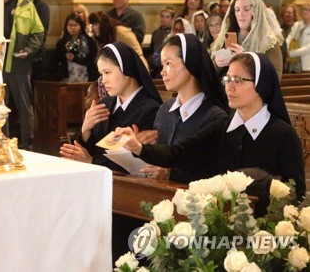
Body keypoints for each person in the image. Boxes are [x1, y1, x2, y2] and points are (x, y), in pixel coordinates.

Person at [117, 52, 305, 211]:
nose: (229, 87)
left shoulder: (283, 135)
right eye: (227, 79)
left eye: (238, 80)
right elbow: (179, 152)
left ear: (260, 85)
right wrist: (139, 147)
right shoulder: (223, 127)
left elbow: (296, 194)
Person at [140, 33, 230, 183]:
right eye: (162, 65)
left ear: (190, 63)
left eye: (168, 63)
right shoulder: (165, 110)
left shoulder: (215, 116)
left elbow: (214, 174)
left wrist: (171, 174)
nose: (162, 72)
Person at [59, 41, 162, 171]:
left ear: (127, 69)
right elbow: (87, 151)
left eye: (107, 72)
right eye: (101, 74)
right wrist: (86, 129)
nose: (103, 80)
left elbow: (133, 162)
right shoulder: (105, 104)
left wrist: (92, 162)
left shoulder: (150, 109)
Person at [3, 0, 44, 150]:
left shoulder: (26, 5)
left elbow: (38, 32)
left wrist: (28, 50)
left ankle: (28, 143)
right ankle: (0, 141)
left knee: (24, 106)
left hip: (19, 63)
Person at [211, 0, 284, 80]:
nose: (241, 14)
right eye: (237, 10)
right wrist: (219, 64)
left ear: (256, 12)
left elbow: (275, 77)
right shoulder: (227, 37)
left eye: (246, 9)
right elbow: (210, 73)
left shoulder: (269, 42)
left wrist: (244, 60)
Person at [17, 0, 50, 84]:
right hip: (19, 55)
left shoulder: (41, 7)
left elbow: (40, 32)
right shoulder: (17, 5)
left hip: (36, 57)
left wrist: (29, 49)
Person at [55, 13, 98, 82]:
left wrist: (76, 58)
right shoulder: (62, 42)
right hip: (67, 76)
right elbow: (56, 59)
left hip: (85, 75)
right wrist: (64, 55)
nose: (73, 28)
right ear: (66, 27)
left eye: (76, 25)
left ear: (81, 26)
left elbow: (92, 59)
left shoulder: (88, 41)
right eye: (70, 25)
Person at [149, 6, 175, 77]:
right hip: (156, 65)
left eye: (167, 17)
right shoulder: (156, 33)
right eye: (162, 16)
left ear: (172, 19)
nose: (164, 19)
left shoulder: (173, 34)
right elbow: (152, 50)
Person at [286, 3, 310, 73]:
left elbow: (308, 48)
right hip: (293, 64)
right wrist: (286, 50)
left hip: (307, 65)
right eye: (303, 9)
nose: (304, 12)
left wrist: (291, 53)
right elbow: (289, 38)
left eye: (308, 10)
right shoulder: (297, 25)